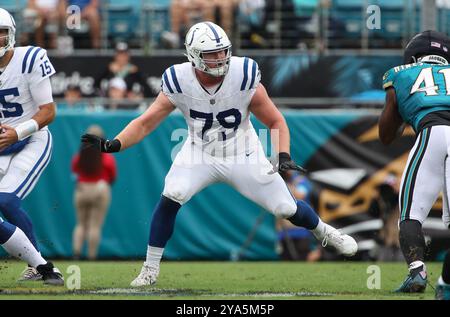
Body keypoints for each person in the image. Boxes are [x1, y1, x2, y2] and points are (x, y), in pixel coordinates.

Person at [82, 21, 357, 287]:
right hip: (198, 152)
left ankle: (324, 231)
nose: (220, 58)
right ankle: (150, 269)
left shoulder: (243, 74)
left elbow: (275, 120)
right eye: (212, 54)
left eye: (223, 51)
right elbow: (146, 121)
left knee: (285, 207)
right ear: (194, 56)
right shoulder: (179, 80)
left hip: (243, 153)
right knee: (173, 193)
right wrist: (113, 144)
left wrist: (282, 153)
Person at [379, 30, 450, 293]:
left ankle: (418, 272)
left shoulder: (400, 73)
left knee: (410, 215)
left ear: (413, 55)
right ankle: (446, 284)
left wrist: (403, 113)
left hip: (431, 132)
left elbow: (385, 135)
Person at [0, 8, 63, 285]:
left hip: (32, 139)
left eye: (0, 33)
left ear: (11, 34)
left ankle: (41, 266)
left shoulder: (30, 58)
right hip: (2, 145)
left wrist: (18, 131)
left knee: (6, 202)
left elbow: (48, 111)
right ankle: (39, 265)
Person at [72, 125, 116, 260]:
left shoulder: (79, 157)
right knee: (94, 226)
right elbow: (113, 176)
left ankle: (77, 253)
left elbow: (74, 172)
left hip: (81, 189)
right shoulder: (107, 158)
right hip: (100, 190)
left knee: (80, 224)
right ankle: (91, 256)